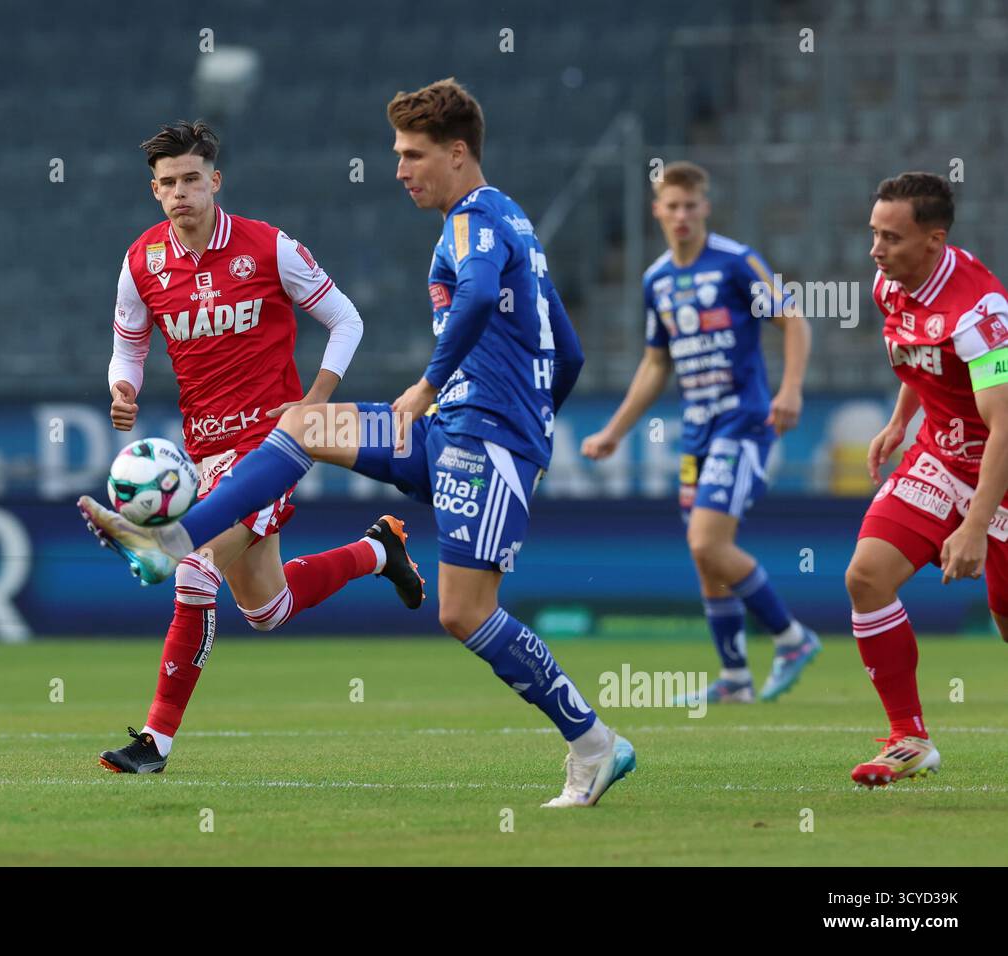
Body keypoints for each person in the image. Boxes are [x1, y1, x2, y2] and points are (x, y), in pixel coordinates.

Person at [82, 81, 636, 808]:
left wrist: (446, 394)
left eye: (413, 155)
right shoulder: (514, 226)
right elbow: (567, 352)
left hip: (479, 438)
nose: (401, 170)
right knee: (306, 426)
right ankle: (207, 538)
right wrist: (535, 419)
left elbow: (471, 300)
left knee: (463, 613)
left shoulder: (471, 222)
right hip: (450, 434)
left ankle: (594, 744)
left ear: (458, 154)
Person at [78, 121, 424, 774]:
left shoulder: (270, 249)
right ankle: (380, 550)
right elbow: (128, 344)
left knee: (192, 568)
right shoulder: (141, 263)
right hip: (201, 454)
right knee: (266, 609)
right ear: (154, 191)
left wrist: (314, 402)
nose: (180, 192)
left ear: (215, 180)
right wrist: (122, 386)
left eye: (191, 179)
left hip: (271, 449)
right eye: (167, 183)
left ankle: (155, 742)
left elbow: (345, 318)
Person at [582, 161, 820, 703]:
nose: (682, 215)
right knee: (705, 555)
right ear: (657, 211)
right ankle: (735, 676)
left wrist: (790, 389)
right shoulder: (656, 280)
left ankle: (791, 636)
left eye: (692, 205)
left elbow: (794, 320)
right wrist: (615, 431)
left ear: (705, 207)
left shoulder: (736, 263)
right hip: (696, 431)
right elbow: (655, 365)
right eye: (673, 205)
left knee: (708, 540)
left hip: (743, 421)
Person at [846, 172, 1008, 786]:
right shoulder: (890, 285)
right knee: (866, 576)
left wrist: (973, 527)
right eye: (873, 234)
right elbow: (920, 360)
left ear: (934, 240)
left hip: (999, 466)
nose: (875, 250)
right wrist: (898, 421)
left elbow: (1004, 428)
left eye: (890, 237)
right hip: (939, 458)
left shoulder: (981, 312)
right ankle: (908, 738)